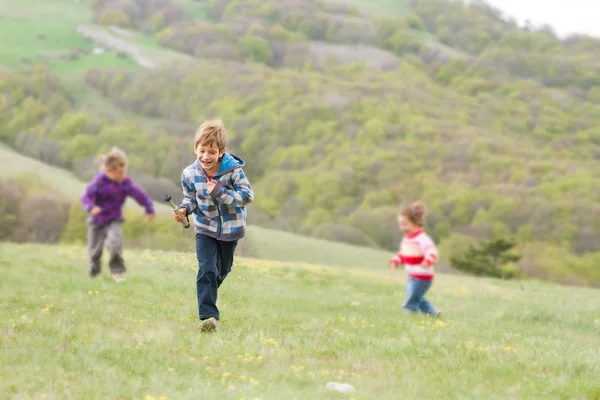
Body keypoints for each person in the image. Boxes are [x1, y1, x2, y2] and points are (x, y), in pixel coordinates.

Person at [173, 119, 253, 332]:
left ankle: (207, 291)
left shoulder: (233, 171)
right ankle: (208, 317)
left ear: (221, 152)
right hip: (205, 228)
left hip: (231, 229)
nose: (205, 157)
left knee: (222, 269)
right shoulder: (189, 174)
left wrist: (221, 192)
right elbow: (190, 199)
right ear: (195, 149)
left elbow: (247, 196)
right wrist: (183, 210)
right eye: (202, 151)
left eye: (211, 151)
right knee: (206, 269)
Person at [81, 147, 155, 282]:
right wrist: (91, 207)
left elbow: (138, 194)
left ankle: (117, 272)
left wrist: (149, 208)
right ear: (108, 171)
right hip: (96, 220)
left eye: (123, 172)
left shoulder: (124, 183)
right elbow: (86, 197)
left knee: (115, 243)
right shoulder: (99, 182)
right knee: (95, 250)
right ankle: (94, 270)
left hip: (113, 219)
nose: (122, 175)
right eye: (119, 173)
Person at [389, 202, 440, 317]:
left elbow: (432, 251)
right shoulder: (407, 239)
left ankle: (411, 320)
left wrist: (428, 261)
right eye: (401, 224)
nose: (402, 228)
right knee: (417, 297)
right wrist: (396, 260)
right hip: (412, 277)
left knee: (410, 302)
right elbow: (403, 253)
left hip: (422, 277)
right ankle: (433, 313)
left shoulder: (422, 238)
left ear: (416, 223)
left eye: (405, 224)